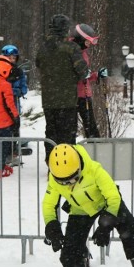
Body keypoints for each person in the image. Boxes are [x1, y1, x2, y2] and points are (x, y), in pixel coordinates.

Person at [42, 143, 134, 267]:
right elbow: (48, 204)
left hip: (107, 204)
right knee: (70, 248)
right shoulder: (54, 180)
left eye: (73, 179)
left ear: (79, 167)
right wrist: (51, 226)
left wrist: (105, 225)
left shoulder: (94, 170)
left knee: (131, 231)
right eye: (63, 182)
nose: (69, 184)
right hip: (80, 209)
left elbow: (113, 197)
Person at [35, 14, 89, 163]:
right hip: (67, 100)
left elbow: (38, 64)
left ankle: (51, 162)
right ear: (66, 30)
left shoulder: (43, 48)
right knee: (67, 135)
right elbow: (83, 71)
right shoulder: (71, 48)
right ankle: (67, 164)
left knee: (51, 133)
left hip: (48, 100)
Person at [70, 23, 107, 138]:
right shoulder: (69, 51)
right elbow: (69, 74)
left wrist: (96, 75)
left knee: (91, 126)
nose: (89, 45)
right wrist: (80, 75)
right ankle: (70, 152)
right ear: (80, 39)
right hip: (72, 95)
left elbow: (86, 73)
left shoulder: (83, 52)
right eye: (87, 42)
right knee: (71, 128)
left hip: (85, 95)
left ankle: (96, 150)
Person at [0, 44, 32, 160]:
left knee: (14, 130)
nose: (11, 60)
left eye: (14, 58)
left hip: (14, 106)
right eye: (9, 58)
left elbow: (24, 89)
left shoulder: (19, 72)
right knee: (3, 131)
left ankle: (13, 153)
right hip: (1, 107)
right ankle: (3, 154)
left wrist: (14, 91)